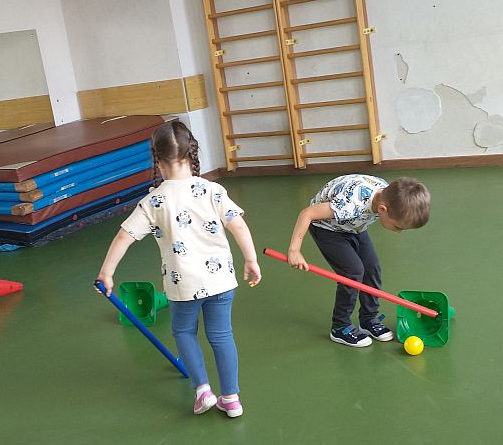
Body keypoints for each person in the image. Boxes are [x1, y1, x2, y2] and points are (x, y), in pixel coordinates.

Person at [97, 121, 262, 418]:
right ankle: (231, 398)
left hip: (182, 284)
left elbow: (125, 236)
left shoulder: (153, 201)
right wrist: (251, 260)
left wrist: (107, 273)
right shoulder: (212, 189)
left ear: (158, 161)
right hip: (221, 280)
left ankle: (203, 391)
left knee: (184, 332)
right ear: (191, 154)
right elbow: (238, 225)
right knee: (222, 335)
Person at [287, 174, 430, 347]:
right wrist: (294, 250)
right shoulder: (351, 204)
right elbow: (307, 213)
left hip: (354, 225)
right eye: (398, 227)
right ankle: (340, 327)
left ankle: (368, 319)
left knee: (372, 268)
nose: (399, 232)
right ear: (382, 209)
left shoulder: (388, 193)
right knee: (353, 273)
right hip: (327, 227)